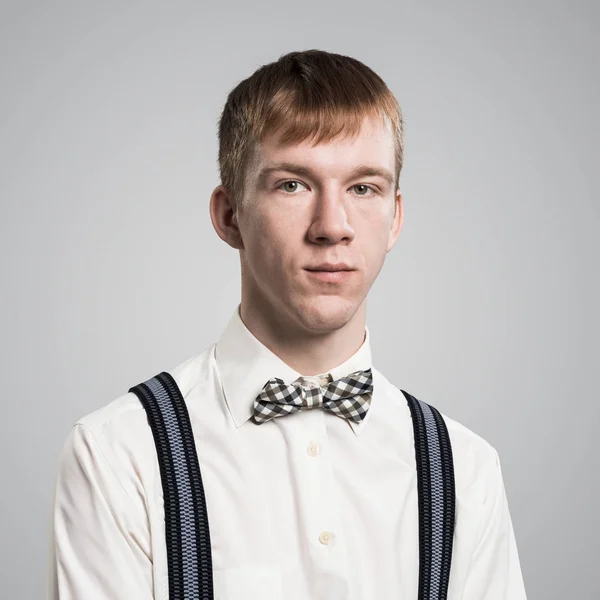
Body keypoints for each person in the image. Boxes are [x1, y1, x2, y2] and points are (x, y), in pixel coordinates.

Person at [47, 49, 528, 599]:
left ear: (395, 217)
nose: (332, 226)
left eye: (363, 187)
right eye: (292, 185)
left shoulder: (466, 469)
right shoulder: (119, 455)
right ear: (230, 216)